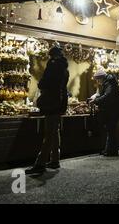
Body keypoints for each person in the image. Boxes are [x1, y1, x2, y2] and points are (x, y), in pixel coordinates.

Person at [26, 46, 69, 174]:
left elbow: (45, 82)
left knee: (49, 132)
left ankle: (40, 163)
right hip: (60, 102)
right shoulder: (65, 68)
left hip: (51, 102)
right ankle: (55, 160)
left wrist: (41, 85)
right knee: (54, 131)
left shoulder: (53, 65)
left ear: (52, 56)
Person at [89, 69, 119, 157]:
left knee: (111, 130)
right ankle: (109, 149)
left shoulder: (109, 83)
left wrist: (96, 101)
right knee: (111, 130)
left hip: (114, 110)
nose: (98, 82)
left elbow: (108, 96)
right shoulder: (109, 82)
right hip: (113, 110)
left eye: (98, 80)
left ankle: (111, 151)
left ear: (101, 78)